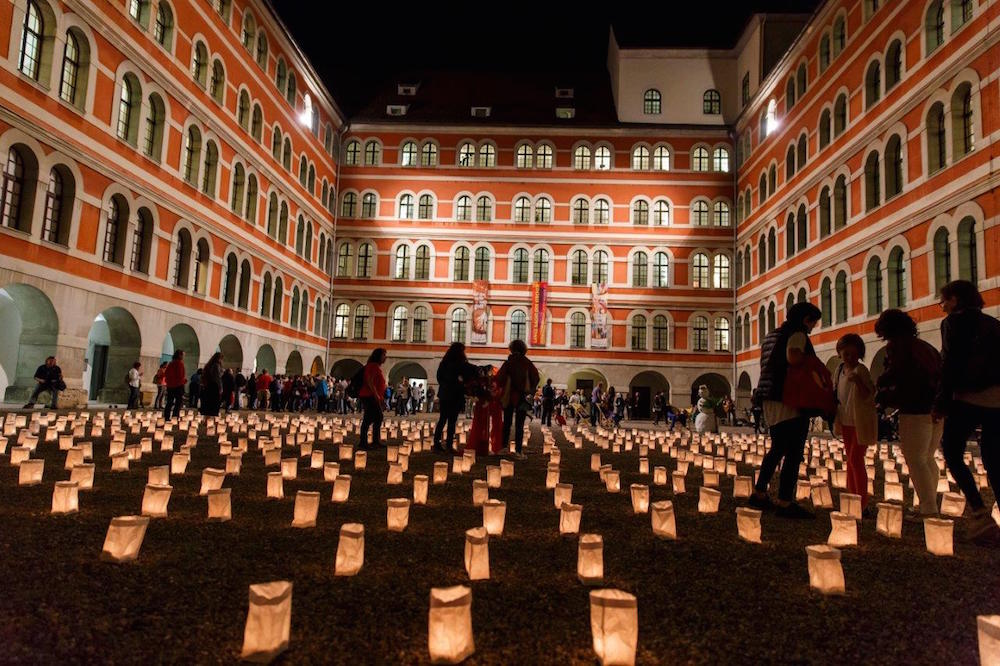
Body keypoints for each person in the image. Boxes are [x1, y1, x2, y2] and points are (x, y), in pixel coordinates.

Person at [933, 280, 1000, 541]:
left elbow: (950, 363)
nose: (942, 307)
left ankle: (979, 511)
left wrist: (941, 402)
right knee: (994, 460)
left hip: (967, 397)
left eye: (944, 301)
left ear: (955, 299)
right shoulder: (993, 323)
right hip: (996, 399)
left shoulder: (953, 323)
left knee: (951, 452)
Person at [748, 301, 822, 519]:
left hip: (770, 397)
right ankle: (784, 501)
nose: (813, 328)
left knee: (777, 448)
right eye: (813, 323)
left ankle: (759, 493)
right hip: (788, 398)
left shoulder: (772, 335)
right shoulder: (797, 334)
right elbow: (794, 358)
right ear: (805, 319)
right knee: (793, 452)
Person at [874, 309, 942, 520]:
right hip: (935, 408)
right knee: (927, 457)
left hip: (915, 408)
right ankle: (930, 504)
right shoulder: (925, 347)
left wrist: (882, 391)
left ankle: (928, 508)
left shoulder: (899, 348)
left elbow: (897, 376)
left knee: (916, 459)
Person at [832, 333, 877, 512]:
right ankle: (852, 495)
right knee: (850, 460)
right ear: (840, 353)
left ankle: (861, 501)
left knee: (855, 459)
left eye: (853, 354)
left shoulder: (861, 370)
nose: (850, 357)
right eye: (846, 354)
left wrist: (858, 382)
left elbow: (869, 395)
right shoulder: (839, 370)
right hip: (845, 421)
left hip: (860, 422)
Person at [496, 340, 540, 460]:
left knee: (507, 422)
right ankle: (518, 451)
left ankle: (503, 447)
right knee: (519, 425)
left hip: (509, 395)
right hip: (523, 396)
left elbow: (499, 378)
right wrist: (530, 390)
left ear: (511, 349)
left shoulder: (508, 363)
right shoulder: (527, 363)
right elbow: (536, 377)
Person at [434, 343, 478, 453]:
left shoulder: (444, 363)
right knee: (452, 421)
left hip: (445, 395)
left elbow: (439, 377)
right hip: (455, 395)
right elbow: (472, 371)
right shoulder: (461, 364)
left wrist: (445, 385)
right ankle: (449, 445)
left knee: (442, 419)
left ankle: (437, 444)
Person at [359, 348, 388, 449]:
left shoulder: (375, 366)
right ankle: (364, 442)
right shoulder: (373, 366)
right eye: (384, 355)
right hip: (369, 395)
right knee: (370, 418)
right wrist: (376, 395)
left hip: (371, 395)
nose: (385, 357)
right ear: (378, 356)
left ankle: (374, 440)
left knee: (376, 417)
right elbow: (370, 381)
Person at [163, 350, 186, 420]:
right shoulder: (180, 363)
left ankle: (166, 417)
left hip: (170, 386)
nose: (183, 357)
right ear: (180, 355)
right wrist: (183, 381)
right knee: (178, 402)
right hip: (178, 385)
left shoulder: (171, 363)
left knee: (169, 402)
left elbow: (166, 373)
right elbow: (180, 375)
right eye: (183, 355)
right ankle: (175, 417)